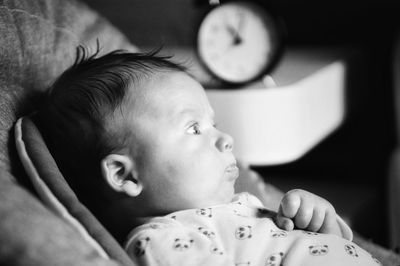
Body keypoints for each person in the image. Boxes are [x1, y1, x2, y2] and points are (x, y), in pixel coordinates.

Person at [36, 47, 380, 266]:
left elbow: (324, 246)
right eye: (194, 129)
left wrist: (319, 221)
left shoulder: (241, 204)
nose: (226, 139)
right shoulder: (162, 241)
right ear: (126, 176)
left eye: (213, 124)